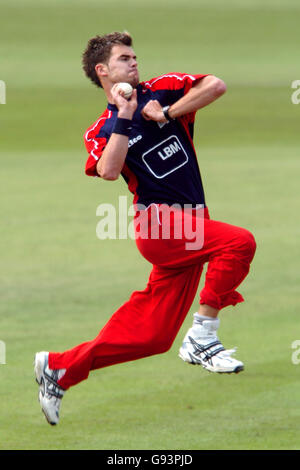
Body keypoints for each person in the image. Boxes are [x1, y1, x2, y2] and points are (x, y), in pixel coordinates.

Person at [34, 32, 256, 425]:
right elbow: (108, 170)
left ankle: (60, 368)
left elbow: (215, 85)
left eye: (135, 56)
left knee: (152, 336)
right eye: (124, 58)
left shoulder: (164, 91)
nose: (134, 62)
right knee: (239, 243)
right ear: (103, 71)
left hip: (192, 224)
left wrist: (166, 114)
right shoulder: (103, 126)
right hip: (158, 225)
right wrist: (125, 114)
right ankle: (203, 335)